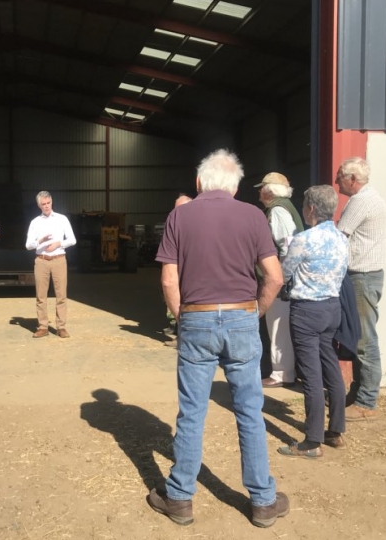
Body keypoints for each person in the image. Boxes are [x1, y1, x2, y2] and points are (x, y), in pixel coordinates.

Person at [147, 149, 289, 528]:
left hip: (197, 318)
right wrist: (254, 312)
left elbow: (168, 279)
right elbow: (274, 276)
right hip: (242, 316)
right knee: (249, 411)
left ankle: (179, 497)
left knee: (192, 412)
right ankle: (262, 500)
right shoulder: (253, 215)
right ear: (237, 185)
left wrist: (184, 318)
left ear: (198, 183)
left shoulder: (180, 216)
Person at [276, 185, 349, 458]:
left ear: (311, 209)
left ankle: (312, 440)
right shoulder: (342, 238)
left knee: (311, 375)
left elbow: (284, 273)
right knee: (330, 364)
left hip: (307, 310)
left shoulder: (303, 239)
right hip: (332, 307)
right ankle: (336, 430)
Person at [336, 157, 386, 421]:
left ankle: (366, 401)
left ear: (352, 179)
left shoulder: (360, 202)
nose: (336, 183)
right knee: (358, 336)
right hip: (365, 275)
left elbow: (339, 235)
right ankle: (358, 393)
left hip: (362, 276)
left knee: (364, 339)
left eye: (339, 178)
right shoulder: (369, 198)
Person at [255, 172, 304, 388]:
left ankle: (282, 373)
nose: (259, 192)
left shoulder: (277, 211)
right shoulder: (283, 208)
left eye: (261, 188)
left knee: (277, 325)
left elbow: (286, 247)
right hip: (285, 279)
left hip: (280, 281)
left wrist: (280, 279)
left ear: (269, 191)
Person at [25, 191, 76, 338]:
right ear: (38, 205)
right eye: (43, 204)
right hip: (41, 260)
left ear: (51, 202)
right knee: (41, 296)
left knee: (61, 295)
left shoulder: (62, 219)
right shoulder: (35, 222)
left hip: (59, 259)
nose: (46, 206)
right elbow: (28, 245)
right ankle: (43, 326)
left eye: (48, 203)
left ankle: (61, 326)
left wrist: (59, 243)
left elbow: (72, 240)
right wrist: (39, 241)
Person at [163, 194, 192, 348]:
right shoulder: (176, 225)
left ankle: (185, 338)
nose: (176, 212)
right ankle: (180, 334)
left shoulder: (195, 226)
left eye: (179, 209)